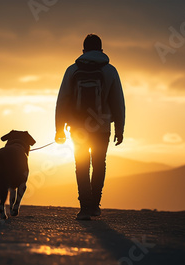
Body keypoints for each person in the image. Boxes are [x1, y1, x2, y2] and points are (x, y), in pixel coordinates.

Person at [55, 34, 126, 220]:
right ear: (101, 50)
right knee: (99, 164)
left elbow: (62, 100)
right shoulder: (110, 71)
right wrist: (120, 128)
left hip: (78, 127)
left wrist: (59, 129)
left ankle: (85, 206)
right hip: (102, 127)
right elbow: (118, 102)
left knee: (81, 165)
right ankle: (95, 205)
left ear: (83, 50)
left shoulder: (72, 70)